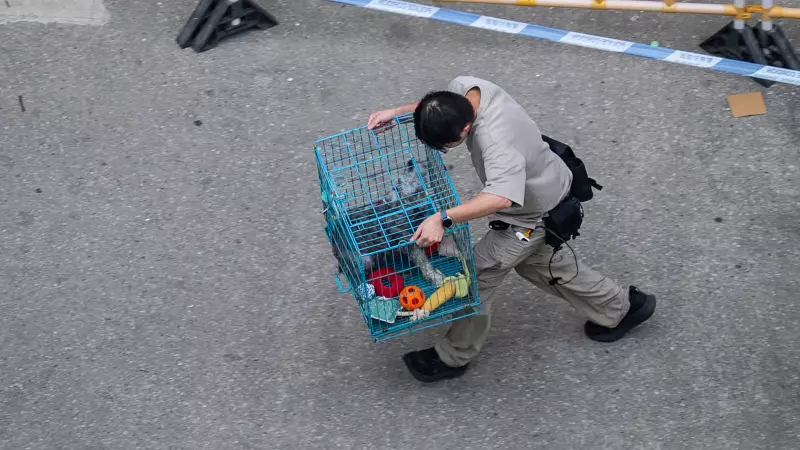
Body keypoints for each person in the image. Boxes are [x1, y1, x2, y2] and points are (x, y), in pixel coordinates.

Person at [367, 76, 656, 383]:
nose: (446, 150)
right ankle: (622, 307)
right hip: (550, 184)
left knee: (476, 277)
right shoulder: (467, 88)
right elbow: (436, 105)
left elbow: (499, 197)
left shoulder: (496, 142)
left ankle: (453, 356)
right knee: (540, 265)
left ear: (465, 130)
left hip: (530, 219)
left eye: (447, 146)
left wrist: (443, 218)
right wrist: (398, 112)